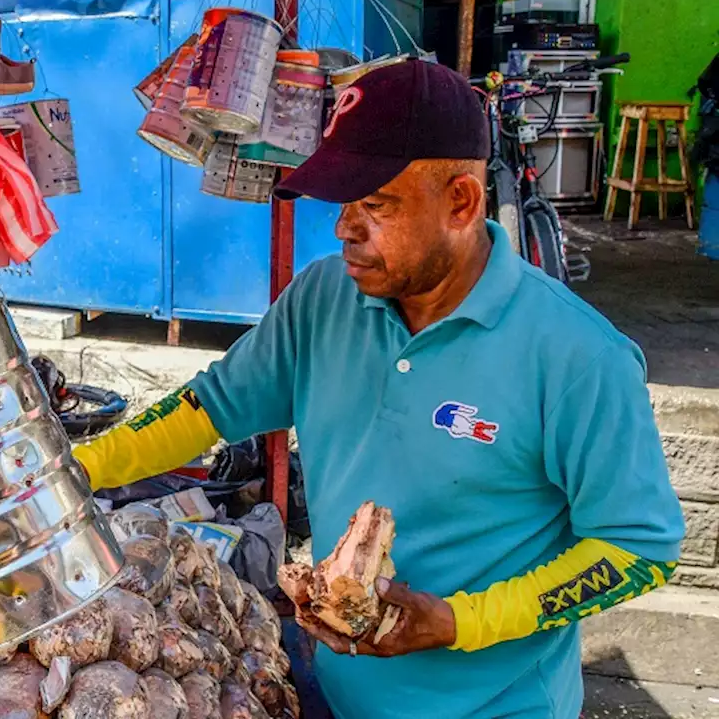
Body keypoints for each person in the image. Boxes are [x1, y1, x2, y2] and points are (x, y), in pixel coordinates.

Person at [72, 60, 684, 719]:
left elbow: (636, 548)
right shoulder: (322, 298)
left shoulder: (578, 355)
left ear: (460, 202)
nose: (343, 228)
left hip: (497, 706)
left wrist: (459, 620)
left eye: (375, 205)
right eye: (343, 203)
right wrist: (72, 471)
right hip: (338, 691)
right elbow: (208, 406)